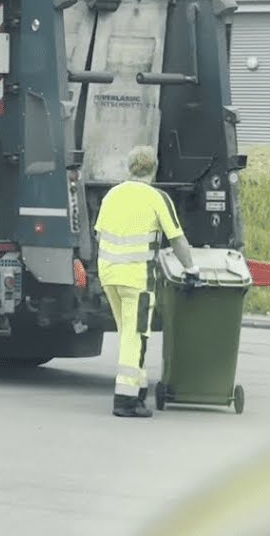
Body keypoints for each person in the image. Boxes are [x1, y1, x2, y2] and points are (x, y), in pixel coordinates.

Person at [94, 145, 199, 418]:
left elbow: (99, 235)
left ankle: (138, 391)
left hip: (109, 274)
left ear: (130, 167)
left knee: (128, 333)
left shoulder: (112, 195)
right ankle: (125, 400)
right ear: (154, 167)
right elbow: (177, 239)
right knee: (135, 335)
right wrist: (191, 269)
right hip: (136, 278)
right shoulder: (157, 197)